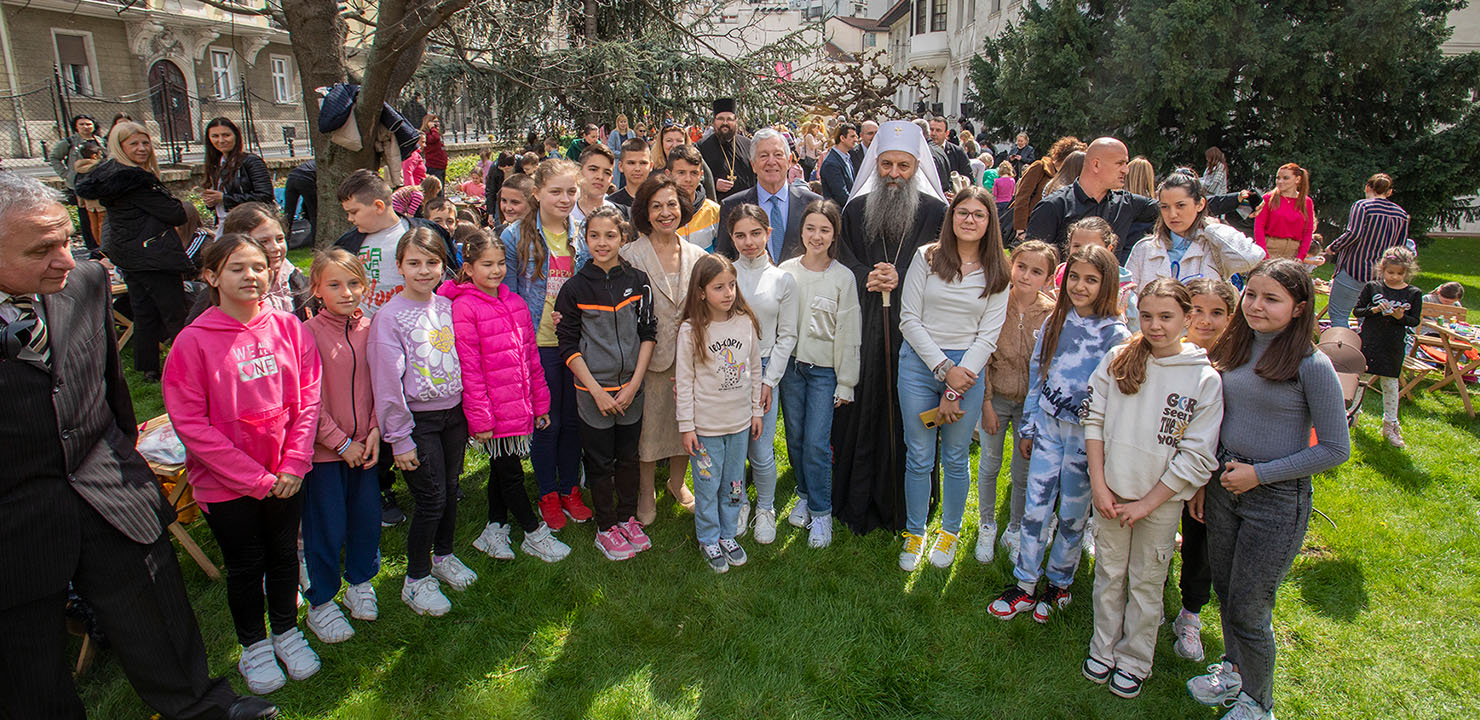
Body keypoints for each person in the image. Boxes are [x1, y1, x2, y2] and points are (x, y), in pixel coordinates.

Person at [0, 173, 278, 720]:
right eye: (42, 249)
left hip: (107, 482)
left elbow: (110, 384)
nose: (67, 258)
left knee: (155, 607)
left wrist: (124, 461)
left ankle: (200, 706)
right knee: (25, 654)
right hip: (15, 515)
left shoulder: (83, 283)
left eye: (65, 240)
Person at [163, 234, 324, 694]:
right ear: (211, 276)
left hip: (287, 477)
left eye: (258, 266)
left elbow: (308, 400)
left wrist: (293, 464)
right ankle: (254, 646)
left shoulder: (289, 329)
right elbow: (190, 424)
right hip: (229, 485)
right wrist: (254, 477)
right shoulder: (193, 343)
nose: (252, 276)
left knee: (283, 558)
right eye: (237, 268)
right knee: (245, 565)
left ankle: (287, 632)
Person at [1189, 258, 1349, 720]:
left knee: (1249, 606)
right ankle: (1234, 673)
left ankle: (1260, 704)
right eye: (1251, 294)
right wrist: (1208, 479)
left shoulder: (1311, 365)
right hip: (1223, 487)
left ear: (1299, 308)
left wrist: (1260, 475)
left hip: (1275, 500)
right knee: (1225, 589)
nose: (1256, 305)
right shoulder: (1234, 346)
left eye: (1272, 299)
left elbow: (1337, 448)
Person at [1081, 278, 1222, 699]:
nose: (1155, 325)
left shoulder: (1203, 378)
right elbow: (1094, 421)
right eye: (1147, 316)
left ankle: (1135, 658)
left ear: (1187, 317)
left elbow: (1197, 456)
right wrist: (1100, 486)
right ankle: (1102, 648)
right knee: (1109, 574)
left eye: (1166, 316)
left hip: (1158, 504)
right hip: (1110, 494)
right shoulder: (1118, 359)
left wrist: (1147, 503)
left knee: (1146, 580)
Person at [987, 245, 1130, 623]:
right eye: (1075, 278)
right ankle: (1025, 582)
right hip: (1047, 432)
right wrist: (1030, 425)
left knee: (1071, 514)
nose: (1080, 286)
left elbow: (1118, 395)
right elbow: (1039, 375)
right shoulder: (1054, 321)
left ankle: (1059, 583)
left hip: (1087, 442)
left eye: (1091, 280)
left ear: (1107, 284)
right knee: (1036, 506)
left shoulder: (1116, 335)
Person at [831, 119, 947, 534]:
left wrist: (902, 275)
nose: (894, 174)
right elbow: (842, 258)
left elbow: (947, 268)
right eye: (886, 165)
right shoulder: (856, 209)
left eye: (903, 165)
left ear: (917, 166)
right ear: (874, 164)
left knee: (910, 417)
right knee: (863, 409)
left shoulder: (937, 213)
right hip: (866, 330)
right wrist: (868, 274)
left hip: (916, 334)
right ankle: (857, 498)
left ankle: (905, 504)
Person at [895, 186, 1010, 570]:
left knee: (956, 458)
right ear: (951, 216)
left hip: (970, 368)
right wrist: (945, 370)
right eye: (963, 212)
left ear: (989, 222)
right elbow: (908, 318)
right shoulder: (925, 257)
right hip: (920, 364)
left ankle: (950, 531)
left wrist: (960, 378)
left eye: (979, 214)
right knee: (919, 455)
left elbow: (988, 335)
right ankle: (915, 532)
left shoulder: (998, 271)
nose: (969, 220)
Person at [441, 230, 572, 562]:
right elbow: (469, 369)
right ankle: (532, 532)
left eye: (500, 263)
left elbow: (531, 358)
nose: (496, 270)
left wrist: (540, 404)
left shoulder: (514, 302)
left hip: (519, 407)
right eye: (487, 264)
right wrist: (481, 419)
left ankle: (494, 528)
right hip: (492, 413)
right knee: (511, 473)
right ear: (468, 268)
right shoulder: (464, 307)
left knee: (502, 472)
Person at [369, 228, 478, 617]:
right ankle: (415, 580)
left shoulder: (446, 307)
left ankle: (443, 556)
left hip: (453, 416)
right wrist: (399, 438)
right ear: (398, 266)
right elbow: (386, 385)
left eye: (431, 262)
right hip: (418, 421)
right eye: (413, 263)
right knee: (430, 499)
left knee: (449, 490)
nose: (423, 270)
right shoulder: (388, 318)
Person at [556, 207, 658, 560]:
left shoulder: (640, 281)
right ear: (585, 239)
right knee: (599, 462)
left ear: (623, 238)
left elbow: (648, 333)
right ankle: (605, 527)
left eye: (610, 235)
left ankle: (627, 518)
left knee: (628, 458)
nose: (602, 242)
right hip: (592, 393)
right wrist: (596, 391)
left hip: (632, 389)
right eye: (595, 236)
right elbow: (567, 345)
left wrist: (634, 384)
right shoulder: (574, 289)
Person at [499, 158, 594, 529]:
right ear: (536, 193)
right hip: (538, 346)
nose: (565, 198)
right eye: (556, 191)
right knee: (547, 422)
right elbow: (506, 296)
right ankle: (548, 492)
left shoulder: (583, 231)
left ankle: (571, 487)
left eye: (571, 191)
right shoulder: (514, 236)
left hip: (575, 343)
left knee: (573, 420)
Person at [300, 249, 381, 645]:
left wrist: (373, 433)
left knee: (366, 517)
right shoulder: (307, 335)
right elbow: (306, 401)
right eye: (334, 284)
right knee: (326, 527)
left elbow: (383, 384)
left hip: (367, 447)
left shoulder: (373, 327)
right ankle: (321, 600)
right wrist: (340, 442)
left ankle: (361, 581)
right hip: (324, 455)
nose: (347, 292)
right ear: (317, 289)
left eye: (353, 283)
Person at [75, 121, 192, 380]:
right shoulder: (133, 180)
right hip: (151, 254)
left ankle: (149, 367)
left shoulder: (112, 177)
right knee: (174, 311)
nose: (141, 148)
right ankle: (189, 366)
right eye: (134, 144)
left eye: (145, 142)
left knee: (144, 310)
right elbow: (175, 213)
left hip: (130, 253)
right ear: (119, 146)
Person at [619, 175, 706, 523]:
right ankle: (644, 490)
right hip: (647, 359)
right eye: (656, 206)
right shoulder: (630, 256)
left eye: (671, 204)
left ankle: (676, 482)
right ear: (644, 212)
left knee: (684, 423)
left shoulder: (698, 256)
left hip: (689, 360)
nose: (665, 212)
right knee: (649, 427)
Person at [778, 199, 859, 548]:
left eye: (824, 229)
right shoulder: (786, 271)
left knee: (815, 442)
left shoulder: (843, 278)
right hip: (791, 369)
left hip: (824, 371)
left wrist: (846, 381)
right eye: (810, 228)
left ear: (833, 234)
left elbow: (849, 332)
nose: (816, 235)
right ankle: (804, 493)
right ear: (801, 230)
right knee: (794, 438)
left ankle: (822, 513)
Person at [676, 253, 764, 573]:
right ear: (701, 292)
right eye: (718, 288)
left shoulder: (745, 323)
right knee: (707, 484)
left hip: (739, 425)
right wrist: (687, 426)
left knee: (734, 485)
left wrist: (756, 412)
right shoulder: (690, 331)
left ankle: (728, 534)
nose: (728, 293)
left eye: (731, 285)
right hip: (706, 430)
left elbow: (754, 369)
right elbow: (684, 382)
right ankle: (709, 537)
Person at [975, 240, 1058, 564]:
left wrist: (1035, 416)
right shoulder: (995, 304)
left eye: (1036, 271)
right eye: (1021, 266)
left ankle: (1015, 528)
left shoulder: (1052, 315)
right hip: (996, 399)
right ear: (1011, 265)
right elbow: (983, 358)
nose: (1026, 275)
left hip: (1030, 407)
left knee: (1023, 473)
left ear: (1048, 279)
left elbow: (1049, 367)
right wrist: (986, 404)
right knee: (990, 464)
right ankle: (986, 524)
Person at [1172, 276, 1238, 664]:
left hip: (1208, 472)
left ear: (1232, 317)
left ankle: (1190, 613)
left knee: (1201, 541)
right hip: (1160, 465)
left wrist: (1201, 481)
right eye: (1196, 310)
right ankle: (1149, 596)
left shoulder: (1234, 366)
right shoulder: (1167, 353)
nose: (1205, 320)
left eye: (1217, 312)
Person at [727, 205, 799, 545]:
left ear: (768, 233)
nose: (749, 241)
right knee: (733, 446)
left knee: (760, 447)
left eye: (756, 233)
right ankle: (738, 502)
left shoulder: (783, 279)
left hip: (767, 368)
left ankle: (766, 508)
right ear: (731, 238)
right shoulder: (726, 274)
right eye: (740, 235)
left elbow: (787, 335)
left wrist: (769, 381)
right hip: (729, 367)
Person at [334, 169, 457, 317]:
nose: (349, 218)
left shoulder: (427, 232)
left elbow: (451, 277)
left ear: (379, 206)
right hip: (366, 329)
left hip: (420, 325)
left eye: (354, 212)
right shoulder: (348, 243)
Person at [1125, 174, 1265, 289]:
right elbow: (1127, 298)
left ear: (1200, 204)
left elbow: (1251, 258)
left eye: (1180, 205)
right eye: (1165, 207)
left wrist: (1212, 228)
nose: (1172, 214)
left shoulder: (1214, 245)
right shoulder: (1144, 249)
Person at [716, 128, 823, 262]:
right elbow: (724, 260)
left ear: (789, 161)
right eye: (763, 155)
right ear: (753, 165)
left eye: (778, 155)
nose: (771, 162)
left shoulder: (813, 204)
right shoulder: (732, 206)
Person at [1353, 246, 1423, 448]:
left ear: (1407, 273)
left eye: (1399, 274)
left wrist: (1401, 317)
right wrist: (1373, 310)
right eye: (1390, 272)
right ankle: (1352, 415)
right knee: (1361, 380)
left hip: (1393, 345)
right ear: (1382, 269)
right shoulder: (1372, 287)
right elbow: (1357, 311)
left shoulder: (1413, 293)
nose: (1394, 277)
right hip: (1370, 341)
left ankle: (1390, 424)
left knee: (1391, 384)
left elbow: (1414, 320)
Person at [1325, 173, 1410, 328]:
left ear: (1368, 187)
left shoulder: (1362, 206)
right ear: (1389, 192)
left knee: (1339, 315)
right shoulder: (1401, 214)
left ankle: (1341, 349)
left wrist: (1334, 247)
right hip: (1379, 276)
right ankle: (1365, 350)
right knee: (1367, 317)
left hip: (1354, 268)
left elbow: (1354, 233)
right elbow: (1400, 247)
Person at [217, 203, 311, 320]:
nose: (276, 247)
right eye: (264, 241)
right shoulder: (224, 293)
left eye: (280, 239)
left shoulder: (298, 282)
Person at [201, 117, 273, 223]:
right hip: (225, 222)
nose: (221, 141)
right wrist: (211, 202)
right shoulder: (215, 164)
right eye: (215, 136)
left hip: (250, 222)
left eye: (226, 135)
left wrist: (225, 198)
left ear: (236, 136)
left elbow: (265, 196)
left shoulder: (251, 161)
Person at [47, 114, 105, 248]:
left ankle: (103, 244)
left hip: (99, 184)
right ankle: (92, 246)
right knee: (86, 218)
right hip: (80, 186)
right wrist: (66, 175)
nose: (85, 127)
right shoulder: (69, 142)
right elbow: (54, 157)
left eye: (88, 124)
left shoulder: (101, 142)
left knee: (101, 216)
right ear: (76, 127)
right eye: (82, 124)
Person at [1012, 136, 1085, 238]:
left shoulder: (1070, 177)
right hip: (1031, 223)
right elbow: (1022, 197)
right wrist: (1020, 229)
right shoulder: (1040, 167)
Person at [697, 98, 756, 202]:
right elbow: (696, 176)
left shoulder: (748, 144)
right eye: (720, 119)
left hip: (747, 206)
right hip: (716, 208)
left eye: (729, 119)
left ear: (736, 121)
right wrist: (713, 183)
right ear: (714, 121)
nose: (725, 123)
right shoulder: (701, 147)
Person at [1253, 163, 1315, 261]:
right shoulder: (1268, 199)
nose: (1280, 181)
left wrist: (1301, 256)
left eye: (1286, 178)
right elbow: (1259, 227)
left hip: (1293, 252)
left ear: (1297, 179)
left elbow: (1308, 231)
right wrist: (1263, 253)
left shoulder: (1306, 202)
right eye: (1278, 178)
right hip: (1270, 248)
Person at [670, 145, 721, 252]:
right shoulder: (659, 213)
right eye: (681, 173)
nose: (688, 179)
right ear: (668, 174)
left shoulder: (714, 211)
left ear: (701, 175)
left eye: (694, 173)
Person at [652, 124, 718, 204]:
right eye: (669, 141)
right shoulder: (652, 167)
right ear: (661, 143)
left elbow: (711, 194)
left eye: (679, 141)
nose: (674, 145)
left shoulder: (698, 162)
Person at [574, 144, 623, 229]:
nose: (600, 177)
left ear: (611, 179)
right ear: (579, 172)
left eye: (607, 173)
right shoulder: (566, 212)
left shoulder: (615, 215)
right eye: (593, 169)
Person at [72, 141, 108, 251]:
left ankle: (97, 244)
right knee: (103, 223)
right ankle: (104, 246)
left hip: (88, 202)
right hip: (100, 200)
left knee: (94, 224)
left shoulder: (80, 168)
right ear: (94, 155)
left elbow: (78, 184)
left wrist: (81, 202)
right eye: (99, 154)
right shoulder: (98, 167)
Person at [819, 122, 860, 207]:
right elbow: (841, 195)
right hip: (837, 215)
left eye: (856, 136)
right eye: (852, 136)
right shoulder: (831, 163)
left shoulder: (846, 158)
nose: (856, 140)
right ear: (842, 138)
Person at [607, 138, 653, 208]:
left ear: (651, 166)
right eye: (631, 163)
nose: (637, 168)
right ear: (621, 166)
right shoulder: (611, 204)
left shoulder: (660, 199)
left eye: (643, 163)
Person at [283, 160, 318, 247]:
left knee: (288, 215)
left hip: (292, 177)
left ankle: (284, 242)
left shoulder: (315, 163)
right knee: (314, 214)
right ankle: (315, 245)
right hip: (307, 178)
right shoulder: (322, 166)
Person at [928, 116, 973, 183]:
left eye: (938, 130)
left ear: (947, 133)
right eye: (931, 130)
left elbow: (968, 179)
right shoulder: (922, 151)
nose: (933, 134)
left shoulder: (958, 152)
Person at [607, 114, 638, 189]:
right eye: (621, 122)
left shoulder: (631, 133)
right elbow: (610, 149)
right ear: (617, 123)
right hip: (618, 162)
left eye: (624, 122)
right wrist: (623, 154)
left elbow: (635, 146)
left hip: (630, 161)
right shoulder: (613, 133)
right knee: (618, 184)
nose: (623, 124)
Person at [421, 114, 448, 182]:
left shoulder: (435, 133)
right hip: (434, 166)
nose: (437, 124)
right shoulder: (426, 134)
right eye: (434, 122)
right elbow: (434, 138)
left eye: (437, 122)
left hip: (441, 165)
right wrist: (433, 128)